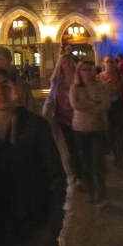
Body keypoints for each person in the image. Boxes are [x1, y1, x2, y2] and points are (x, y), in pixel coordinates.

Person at [0, 68, 68, 246]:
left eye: (5, 86)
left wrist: (53, 225)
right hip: (1, 231)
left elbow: (56, 175)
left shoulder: (36, 126)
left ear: (16, 91)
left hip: (37, 227)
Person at [70, 60, 109, 204]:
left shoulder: (100, 86)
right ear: (79, 72)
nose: (87, 72)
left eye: (89, 69)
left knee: (98, 160)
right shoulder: (75, 88)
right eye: (83, 69)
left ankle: (102, 190)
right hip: (80, 128)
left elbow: (106, 103)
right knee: (85, 160)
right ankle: (91, 189)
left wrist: (90, 108)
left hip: (98, 127)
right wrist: (94, 105)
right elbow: (76, 105)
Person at [42, 54, 80, 183]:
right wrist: (45, 110)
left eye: (69, 63)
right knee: (68, 147)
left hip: (79, 119)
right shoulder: (57, 82)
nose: (67, 66)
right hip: (62, 119)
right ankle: (75, 173)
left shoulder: (79, 80)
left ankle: (81, 173)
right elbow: (51, 97)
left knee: (78, 146)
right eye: (64, 63)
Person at [99, 55, 123, 169]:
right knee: (108, 133)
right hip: (105, 109)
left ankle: (119, 159)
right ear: (103, 64)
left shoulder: (119, 77)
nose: (110, 64)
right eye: (107, 62)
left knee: (118, 133)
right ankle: (112, 154)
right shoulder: (99, 78)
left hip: (117, 108)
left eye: (112, 62)